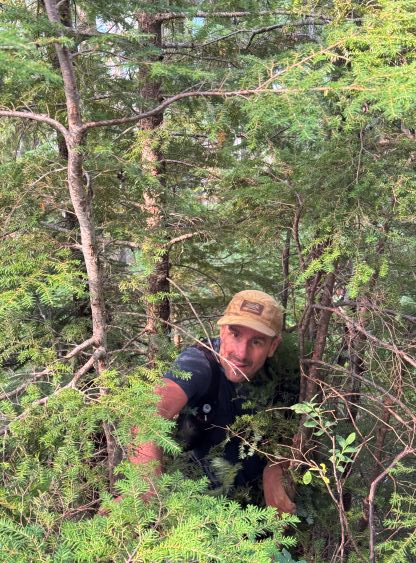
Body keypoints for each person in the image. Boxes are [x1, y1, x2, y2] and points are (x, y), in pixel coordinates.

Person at [130, 290, 296, 514]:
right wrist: (147, 485)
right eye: (235, 334)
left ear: (273, 346)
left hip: (251, 512)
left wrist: (275, 468)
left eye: (256, 342)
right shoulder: (199, 363)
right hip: (190, 507)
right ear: (222, 331)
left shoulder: (284, 374)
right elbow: (147, 410)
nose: (241, 353)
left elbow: (295, 430)